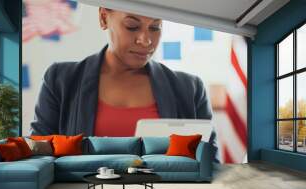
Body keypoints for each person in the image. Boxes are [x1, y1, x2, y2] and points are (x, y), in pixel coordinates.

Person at [30, 8, 217, 150]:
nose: (145, 40)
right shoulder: (60, 80)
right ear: (103, 17)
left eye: (155, 27)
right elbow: (39, 151)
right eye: (132, 26)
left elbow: (209, 161)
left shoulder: (190, 89)